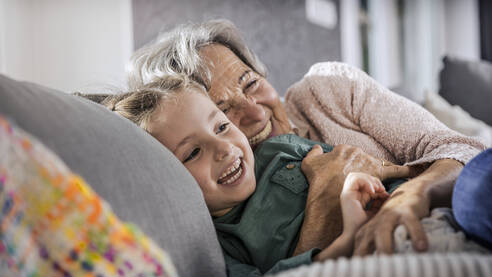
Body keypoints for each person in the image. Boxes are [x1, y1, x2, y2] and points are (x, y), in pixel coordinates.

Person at [126, 19, 486, 256]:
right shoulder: (224, 202)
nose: (254, 113)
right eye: (223, 113)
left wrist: (412, 195)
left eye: (250, 82)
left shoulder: (327, 89)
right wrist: (323, 201)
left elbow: (462, 148)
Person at [103, 77, 488, 277]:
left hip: (430, 211)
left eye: (222, 126)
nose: (223, 148)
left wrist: (405, 183)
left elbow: (376, 165)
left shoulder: (282, 148)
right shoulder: (214, 243)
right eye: (192, 153)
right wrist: (347, 237)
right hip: (388, 254)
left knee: (475, 188)